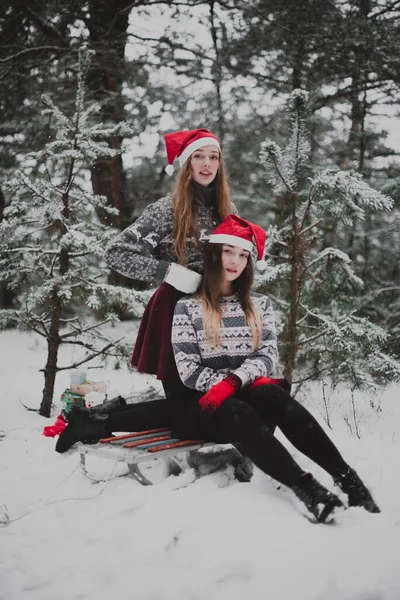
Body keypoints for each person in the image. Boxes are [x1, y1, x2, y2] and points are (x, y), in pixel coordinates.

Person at [166, 215, 381, 523]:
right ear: (215, 254)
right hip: (207, 406)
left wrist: (237, 379)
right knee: (239, 408)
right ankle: (309, 491)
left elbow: (267, 354)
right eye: (229, 251)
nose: (236, 261)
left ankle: (349, 480)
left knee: (272, 395)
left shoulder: (259, 304)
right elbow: (188, 370)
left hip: (244, 393)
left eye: (243, 255)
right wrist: (227, 386)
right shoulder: (188, 307)